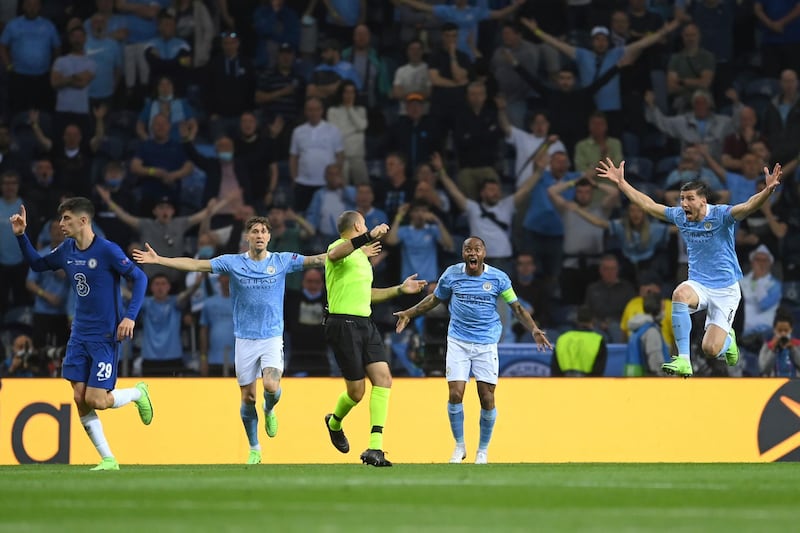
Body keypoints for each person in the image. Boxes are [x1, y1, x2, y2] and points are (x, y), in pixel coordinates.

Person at [132, 215, 338, 464]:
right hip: (244, 340)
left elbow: (318, 259)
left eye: (263, 231)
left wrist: (356, 249)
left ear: (269, 237)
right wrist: (159, 259)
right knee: (248, 397)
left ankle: (269, 409)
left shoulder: (282, 260)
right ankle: (254, 448)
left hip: (271, 337)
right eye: (254, 231)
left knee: (271, 387)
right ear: (247, 237)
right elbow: (197, 265)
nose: (259, 235)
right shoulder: (233, 263)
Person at [595, 158, 784, 377]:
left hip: (725, 290)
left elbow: (749, 206)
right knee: (679, 293)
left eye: (690, 199)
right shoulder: (680, 216)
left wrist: (768, 191)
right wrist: (622, 183)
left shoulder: (721, 215)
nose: (684, 203)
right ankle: (683, 360)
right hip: (699, 284)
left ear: (703, 201)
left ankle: (728, 339)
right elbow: (649, 205)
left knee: (710, 350)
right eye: (682, 198)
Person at [10, 198, 152, 471]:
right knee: (78, 397)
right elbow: (38, 265)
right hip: (78, 335)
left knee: (96, 400)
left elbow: (141, 278)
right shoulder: (67, 249)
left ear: (83, 220)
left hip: (104, 337)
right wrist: (21, 236)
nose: (61, 224)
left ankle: (137, 393)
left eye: (66, 219)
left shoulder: (108, 250)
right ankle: (108, 459)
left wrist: (130, 316)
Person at [393, 236, 551, 465]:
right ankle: (459, 446)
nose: (472, 253)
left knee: (487, 398)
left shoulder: (498, 278)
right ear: (463, 253)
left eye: (476, 249)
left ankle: (483, 451)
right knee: (455, 394)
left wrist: (534, 328)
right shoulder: (452, 274)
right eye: (468, 249)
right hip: (458, 341)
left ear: (484, 253)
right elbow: (433, 300)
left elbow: (516, 307)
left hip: (486, 343)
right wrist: (409, 312)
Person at [322, 211, 427, 467]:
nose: (368, 228)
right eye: (365, 225)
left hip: (364, 323)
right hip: (342, 323)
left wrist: (399, 290)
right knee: (356, 393)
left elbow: (366, 294)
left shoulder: (360, 256)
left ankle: (375, 448)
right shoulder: (337, 248)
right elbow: (334, 255)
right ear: (358, 226)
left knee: (384, 379)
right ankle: (334, 421)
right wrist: (369, 236)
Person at [551, 306, 607, 377]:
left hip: (563, 384)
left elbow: (555, 369)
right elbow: (598, 371)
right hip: (587, 385)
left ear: (576, 320)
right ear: (593, 320)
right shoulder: (598, 340)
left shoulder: (562, 338)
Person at [759, 312, 800, 377]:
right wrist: (773, 350)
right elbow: (764, 369)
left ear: (791, 330)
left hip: (795, 384)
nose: (783, 333)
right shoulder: (767, 346)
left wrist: (792, 349)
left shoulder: (797, 345)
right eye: (780, 330)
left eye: (786, 330)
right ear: (774, 330)